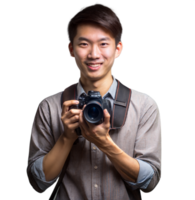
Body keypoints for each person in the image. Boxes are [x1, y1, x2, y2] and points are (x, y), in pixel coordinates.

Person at [26, 2, 163, 200]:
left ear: (118, 48)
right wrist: (66, 137)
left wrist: (105, 143)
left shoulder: (144, 106)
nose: (94, 54)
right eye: (84, 44)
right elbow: (38, 183)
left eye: (103, 43)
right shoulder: (50, 107)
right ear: (70, 49)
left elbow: (150, 183)